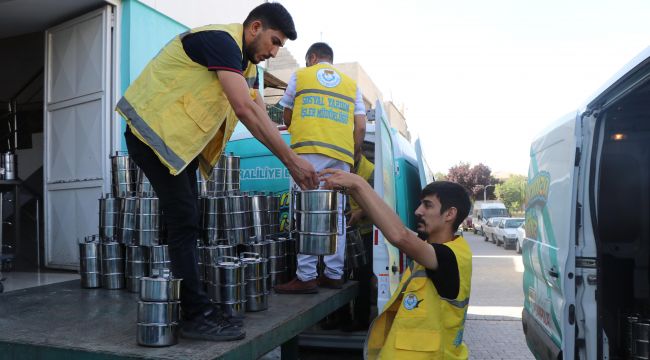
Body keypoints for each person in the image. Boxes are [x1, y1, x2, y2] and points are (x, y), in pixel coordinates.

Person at [116, 3, 319, 342]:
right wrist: (291, 162)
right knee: (184, 218)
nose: (273, 52)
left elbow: (256, 109)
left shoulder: (242, 63)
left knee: (188, 218)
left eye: (280, 46)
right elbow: (244, 110)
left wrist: (293, 156)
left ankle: (196, 306)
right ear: (254, 27)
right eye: (274, 41)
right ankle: (195, 314)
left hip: (176, 142)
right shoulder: (222, 42)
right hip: (151, 133)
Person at [320, 170, 472, 359]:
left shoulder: (450, 256)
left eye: (427, 205)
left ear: (449, 214)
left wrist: (359, 183)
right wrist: (354, 191)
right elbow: (392, 226)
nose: (418, 211)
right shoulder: (432, 247)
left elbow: (400, 236)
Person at [274, 42, 367, 294]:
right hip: (342, 155)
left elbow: (287, 117)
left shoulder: (301, 75)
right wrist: (353, 156)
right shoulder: (351, 85)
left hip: (308, 151)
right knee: (335, 213)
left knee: (307, 210)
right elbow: (360, 126)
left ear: (312, 57)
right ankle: (334, 274)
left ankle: (306, 276)